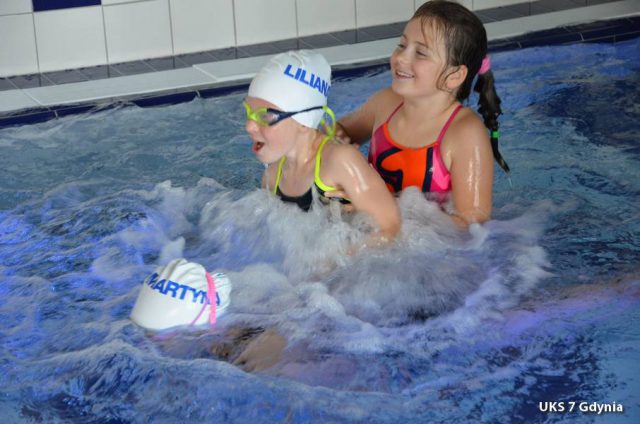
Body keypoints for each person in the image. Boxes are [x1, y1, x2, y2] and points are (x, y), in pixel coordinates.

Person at [335, 0, 509, 227]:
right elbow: (340, 129)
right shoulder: (386, 103)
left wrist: (380, 204)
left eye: (420, 53)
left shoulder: (465, 133)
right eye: (401, 45)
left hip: (432, 246)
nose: (401, 58)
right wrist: (336, 145)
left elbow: (472, 225)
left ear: (454, 76)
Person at [245, 50, 400, 245]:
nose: (249, 126)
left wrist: (338, 259)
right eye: (249, 112)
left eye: (265, 116)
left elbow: (390, 228)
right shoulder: (271, 177)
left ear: (304, 122)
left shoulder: (340, 161)